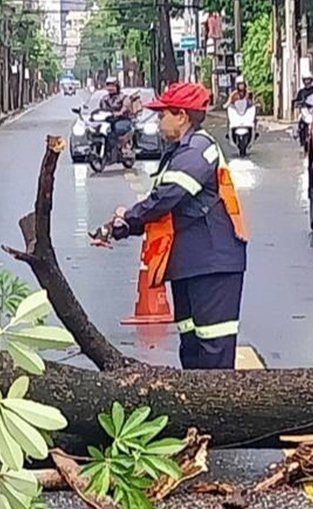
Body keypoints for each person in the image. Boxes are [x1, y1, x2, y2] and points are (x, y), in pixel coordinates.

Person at [108, 82, 248, 369]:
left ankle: (217, 414)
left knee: (214, 353)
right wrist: (123, 226)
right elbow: (165, 209)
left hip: (213, 264)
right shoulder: (179, 151)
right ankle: (197, 412)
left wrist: (130, 217)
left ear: (182, 116)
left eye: (163, 115)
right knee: (192, 349)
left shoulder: (198, 150)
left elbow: (167, 197)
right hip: (191, 263)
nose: (159, 122)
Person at [97, 76, 136, 156]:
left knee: (118, 128)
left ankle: (124, 147)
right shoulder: (104, 99)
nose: (110, 88)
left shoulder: (124, 97)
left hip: (122, 120)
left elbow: (125, 107)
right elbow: (100, 110)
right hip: (109, 121)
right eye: (108, 85)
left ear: (117, 86)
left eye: (112, 86)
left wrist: (120, 113)